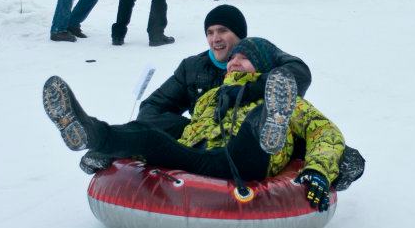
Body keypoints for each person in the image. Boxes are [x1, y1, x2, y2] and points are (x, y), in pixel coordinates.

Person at [42, 37, 341, 211]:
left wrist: (318, 170)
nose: (234, 62)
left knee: (256, 120)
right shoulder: (212, 97)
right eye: (232, 58)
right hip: (205, 159)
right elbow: (189, 128)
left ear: (262, 67)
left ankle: (269, 128)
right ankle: (89, 133)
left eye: (245, 58)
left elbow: (324, 132)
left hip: (247, 161)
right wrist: (125, 150)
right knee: (150, 133)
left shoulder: (282, 96)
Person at [137, 4, 312, 139]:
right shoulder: (192, 67)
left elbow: (299, 73)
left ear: (239, 35)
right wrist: (192, 129)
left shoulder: (261, 56)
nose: (215, 39)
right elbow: (151, 108)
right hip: (200, 142)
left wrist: (250, 89)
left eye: (223, 31)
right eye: (210, 32)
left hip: (245, 141)